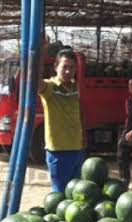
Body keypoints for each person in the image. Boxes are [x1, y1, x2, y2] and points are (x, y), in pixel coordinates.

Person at [38, 44, 86, 192]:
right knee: (59, 197)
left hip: (77, 150)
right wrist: (40, 52)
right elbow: (34, 82)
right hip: (58, 152)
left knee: (75, 195)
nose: (68, 71)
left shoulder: (74, 87)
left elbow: (79, 112)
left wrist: (83, 137)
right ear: (55, 66)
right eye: (64, 66)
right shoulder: (50, 87)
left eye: (72, 68)